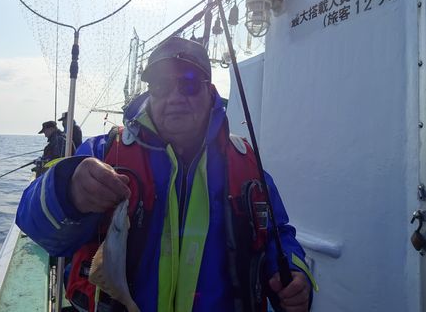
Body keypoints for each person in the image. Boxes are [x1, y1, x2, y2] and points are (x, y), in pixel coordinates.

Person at [16, 37, 315, 312]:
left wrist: (293, 271)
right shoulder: (105, 152)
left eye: (188, 83)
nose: (174, 97)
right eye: (160, 85)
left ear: (210, 92)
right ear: (150, 93)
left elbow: (280, 234)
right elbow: (33, 222)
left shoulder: (246, 164)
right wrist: (68, 191)